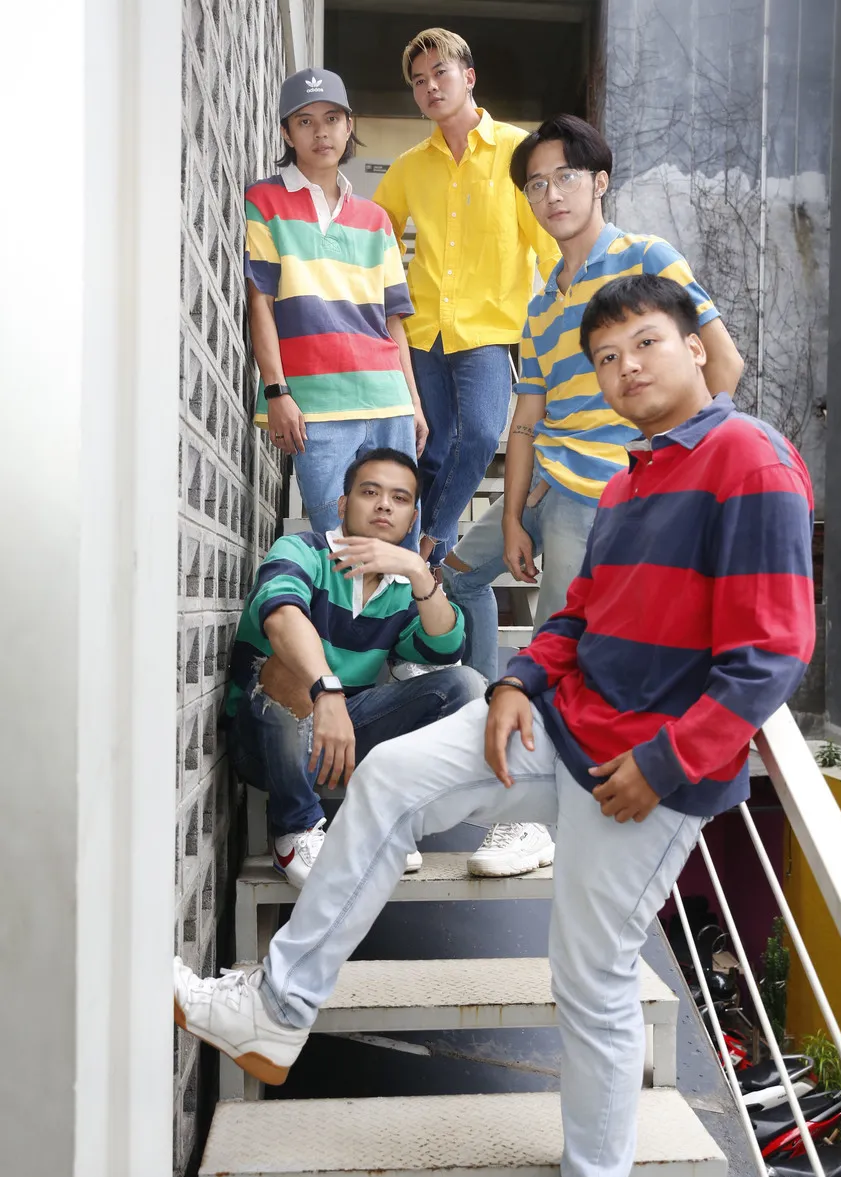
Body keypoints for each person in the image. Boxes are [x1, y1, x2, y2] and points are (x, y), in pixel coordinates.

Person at [175, 273, 815, 1177]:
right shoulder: (629, 480)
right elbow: (577, 616)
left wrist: (662, 764)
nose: (625, 368)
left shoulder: (752, 459)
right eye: (605, 358)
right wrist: (517, 681)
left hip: (644, 776)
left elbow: (771, 654)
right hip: (560, 725)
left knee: (590, 981)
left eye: (645, 344)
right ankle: (277, 1009)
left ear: (698, 347)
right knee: (393, 776)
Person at [443, 113, 744, 878]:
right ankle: (482, 707)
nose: (551, 195)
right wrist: (513, 513)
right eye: (536, 185)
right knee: (452, 578)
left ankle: (530, 818)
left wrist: (670, 471)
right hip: (546, 476)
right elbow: (524, 422)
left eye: (566, 177)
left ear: (599, 181)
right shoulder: (542, 304)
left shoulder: (646, 258)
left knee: (558, 639)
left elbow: (724, 366)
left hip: (604, 489)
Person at [223, 447, 482, 884]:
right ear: (343, 505)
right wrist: (326, 692)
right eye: (370, 492)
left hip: (342, 734)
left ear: (412, 518)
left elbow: (446, 648)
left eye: (399, 498)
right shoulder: (302, 550)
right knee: (287, 669)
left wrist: (419, 571)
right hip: (264, 739)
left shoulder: (402, 587)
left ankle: (388, 821)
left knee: (463, 685)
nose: (384, 505)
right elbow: (281, 617)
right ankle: (296, 832)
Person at [373, 28, 559, 567]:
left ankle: (427, 541)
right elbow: (375, 235)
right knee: (432, 446)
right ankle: (423, 568)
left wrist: (568, 312)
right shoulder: (410, 166)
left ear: (469, 77)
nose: (430, 87)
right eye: (418, 81)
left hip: (488, 330)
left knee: (477, 435)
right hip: (423, 326)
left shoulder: (519, 153)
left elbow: (547, 244)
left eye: (440, 73)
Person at [246, 68, 428, 535]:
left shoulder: (376, 220)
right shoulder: (263, 201)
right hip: (317, 409)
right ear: (286, 133)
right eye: (304, 121)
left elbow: (393, 322)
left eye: (331, 118)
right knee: (338, 545)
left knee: (398, 548)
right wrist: (277, 391)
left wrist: (413, 402)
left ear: (349, 126)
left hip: (388, 402)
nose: (320, 132)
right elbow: (260, 302)